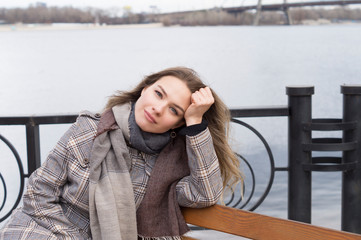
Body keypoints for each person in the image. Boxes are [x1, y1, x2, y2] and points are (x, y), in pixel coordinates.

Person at [0, 67, 243, 240]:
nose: (157, 109)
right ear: (144, 89)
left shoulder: (170, 164)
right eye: (158, 94)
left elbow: (206, 194)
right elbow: (38, 192)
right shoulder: (88, 130)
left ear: (179, 123)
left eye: (174, 109)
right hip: (47, 229)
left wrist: (196, 123)